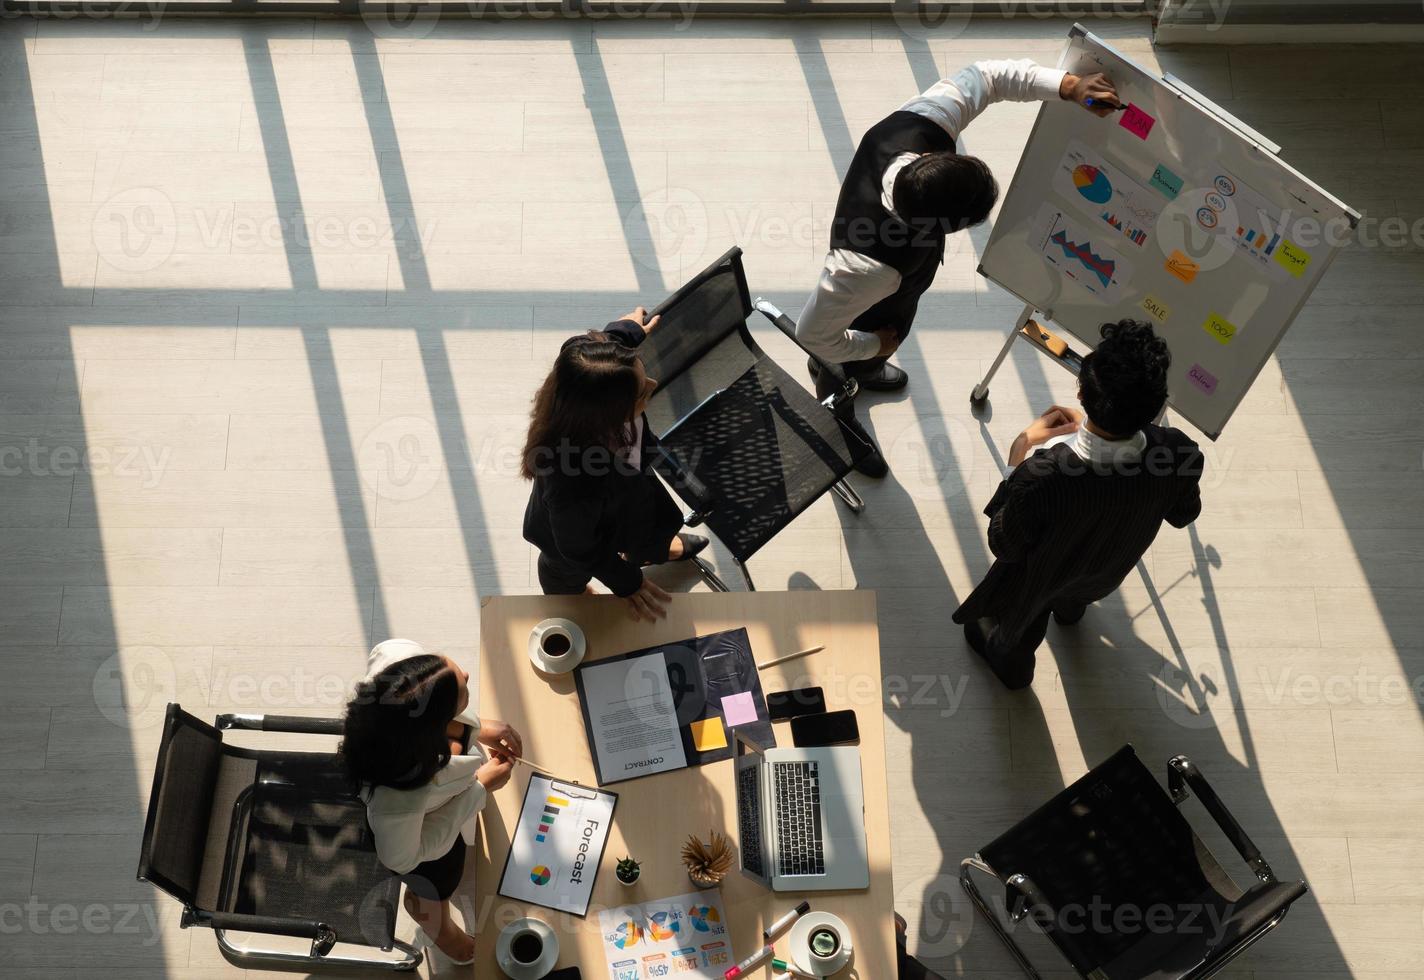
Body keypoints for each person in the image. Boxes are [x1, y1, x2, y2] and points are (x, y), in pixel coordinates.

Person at [797, 59, 1122, 476]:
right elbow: (813, 335)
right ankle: (840, 415)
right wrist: (870, 345)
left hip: (895, 297)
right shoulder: (861, 269)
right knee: (837, 365)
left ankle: (868, 370)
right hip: (863, 317)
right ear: (941, 229)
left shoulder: (920, 123)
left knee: (885, 336)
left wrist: (1070, 85)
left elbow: (988, 77)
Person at [953, 319, 1204, 689]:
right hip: (1105, 570)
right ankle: (1070, 614)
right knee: (1074, 596)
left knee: (1020, 629)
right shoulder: (1178, 450)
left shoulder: (1041, 475)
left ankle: (1013, 669)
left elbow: (1004, 544)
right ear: (1155, 406)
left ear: (1082, 395)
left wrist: (1020, 454)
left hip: (1041, 580)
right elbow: (1184, 514)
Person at [340, 639, 522, 964]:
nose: (466, 672)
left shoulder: (399, 667)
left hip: (428, 791)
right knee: (438, 888)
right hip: (423, 843)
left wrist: (475, 729)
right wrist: (479, 788)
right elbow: (402, 860)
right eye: (461, 691)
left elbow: (426, 709)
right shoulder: (398, 800)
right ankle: (444, 934)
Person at [522, 308, 708, 621]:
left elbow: (589, 352)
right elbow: (579, 549)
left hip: (626, 490)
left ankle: (649, 550)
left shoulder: (585, 379)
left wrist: (625, 333)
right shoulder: (571, 477)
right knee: (563, 575)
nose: (652, 382)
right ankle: (579, 594)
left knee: (652, 523)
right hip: (574, 537)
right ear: (609, 414)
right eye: (642, 390)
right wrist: (626, 582)